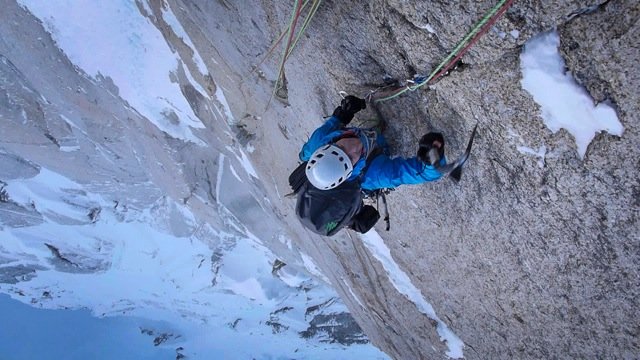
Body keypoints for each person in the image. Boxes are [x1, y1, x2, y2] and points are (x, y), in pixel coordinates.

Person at [299, 95, 447, 192]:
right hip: (377, 152)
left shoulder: (317, 143)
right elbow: (423, 174)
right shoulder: (374, 175)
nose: (354, 147)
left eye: (342, 147)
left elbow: (306, 153)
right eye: (351, 158)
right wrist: (432, 158)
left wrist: (343, 114)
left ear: (327, 146)